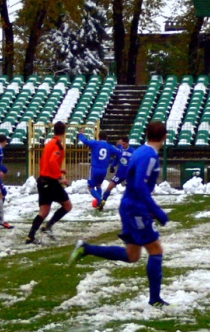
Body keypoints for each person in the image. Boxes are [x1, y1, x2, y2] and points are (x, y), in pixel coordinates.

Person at [69, 121, 170, 308]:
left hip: (129, 206)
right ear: (165, 137)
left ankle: (86, 248)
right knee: (155, 250)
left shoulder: (141, 151)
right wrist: (157, 211)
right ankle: (155, 299)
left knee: (132, 255)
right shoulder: (149, 156)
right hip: (137, 209)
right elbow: (140, 185)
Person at [25, 121, 72, 244]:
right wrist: (60, 177)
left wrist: (59, 169)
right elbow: (52, 161)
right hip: (51, 182)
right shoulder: (57, 145)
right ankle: (48, 226)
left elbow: (46, 162)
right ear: (64, 132)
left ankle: (30, 236)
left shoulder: (49, 143)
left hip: (42, 180)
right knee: (67, 206)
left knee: (44, 211)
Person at [78, 128, 121, 210]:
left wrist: (81, 134)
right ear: (107, 138)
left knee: (90, 187)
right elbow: (119, 152)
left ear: (98, 137)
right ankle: (99, 205)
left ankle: (100, 200)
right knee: (98, 185)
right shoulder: (110, 146)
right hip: (104, 170)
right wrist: (119, 146)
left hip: (95, 168)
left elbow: (85, 141)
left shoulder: (95, 143)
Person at [100, 138, 135, 210]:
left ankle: (134, 205)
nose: (123, 145)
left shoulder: (133, 151)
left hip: (129, 174)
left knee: (132, 190)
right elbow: (116, 159)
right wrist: (112, 166)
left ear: (127, 143)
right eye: (122, 144)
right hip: (120, 173)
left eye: (124, 144)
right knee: (110, 186)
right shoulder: (119, 151)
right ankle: (103, 201)